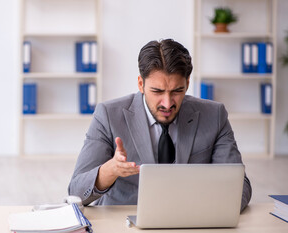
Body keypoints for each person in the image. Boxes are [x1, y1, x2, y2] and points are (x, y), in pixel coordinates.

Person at [68, 38, 252, 211]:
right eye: (157, 91)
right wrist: (110, 170)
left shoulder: (214, 115)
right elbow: (76, 192)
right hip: (127, 225)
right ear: (141, 84)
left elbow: (240, 186)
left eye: (177, 91)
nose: (167, 103)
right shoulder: (108, 115)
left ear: (187, 84)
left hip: (192, 220)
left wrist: (205, 210)